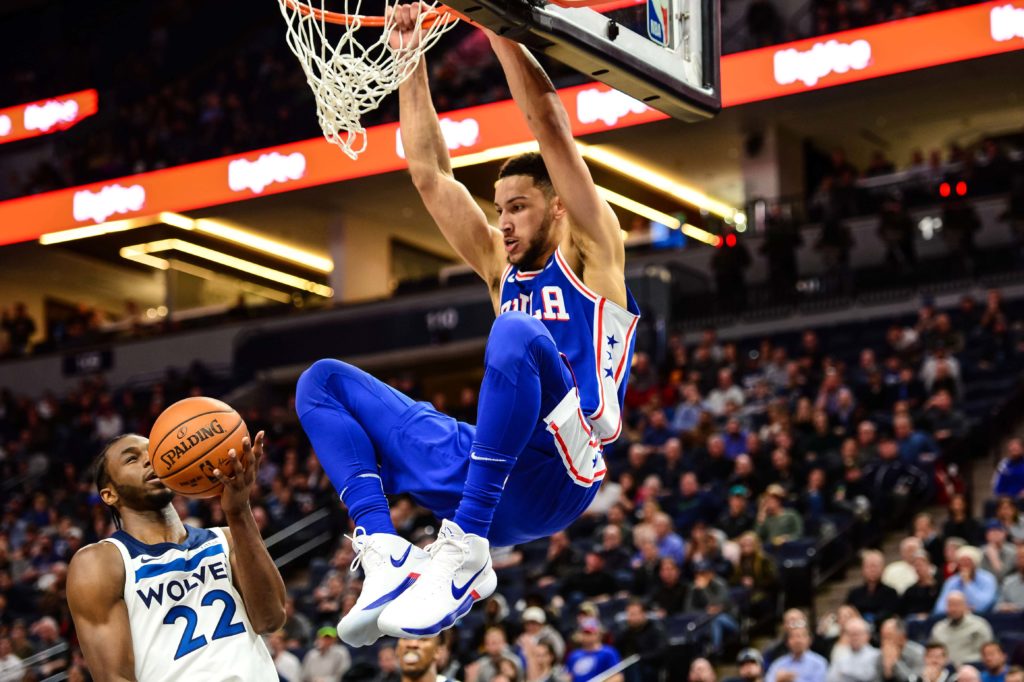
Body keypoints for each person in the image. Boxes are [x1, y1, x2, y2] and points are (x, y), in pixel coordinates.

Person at [295, 4, 640, 645]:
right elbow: (430, 176)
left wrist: (495, 20)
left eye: (519, 207)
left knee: (514, 332)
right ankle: (386, 553)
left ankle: (468, 547)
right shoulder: (497, 266)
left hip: (560, 470)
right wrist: (408, 55)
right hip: (487, 462)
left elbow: (550, 125)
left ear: (558, 208)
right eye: (498, 209)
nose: (502, 222)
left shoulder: (594, 251)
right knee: (322, 384)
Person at [67, 433, 284, 681]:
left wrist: (239, 510)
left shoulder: (227, 538)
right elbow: (114, 677)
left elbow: (271, 620)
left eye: (154, 453)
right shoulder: (101, 562)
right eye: (131, 459)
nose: (150, 460)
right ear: (109, 494)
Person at [929, 591, 994, 666]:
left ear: (965, 606)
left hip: (972, 669)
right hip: (944, 669)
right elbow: (932, 653)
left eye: (957, 605)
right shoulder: (938, 628)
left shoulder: (979, 626)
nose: (953, 609)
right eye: (950, 605)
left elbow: (987, 654)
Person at [826, 616, 879, 681]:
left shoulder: (877, 656)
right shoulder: (840, 657)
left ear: (867, 635)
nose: (854, 638)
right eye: (851, 634)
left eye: (858, 634)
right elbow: (831, 679)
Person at [877, 617, 925, 682]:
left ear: (901, 637)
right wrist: (887, 670)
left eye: (888, 636)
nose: (884, 641)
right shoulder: (881, 654)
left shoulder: (918, 653)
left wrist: (896, 662)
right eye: (882, 637)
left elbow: (913, 679)